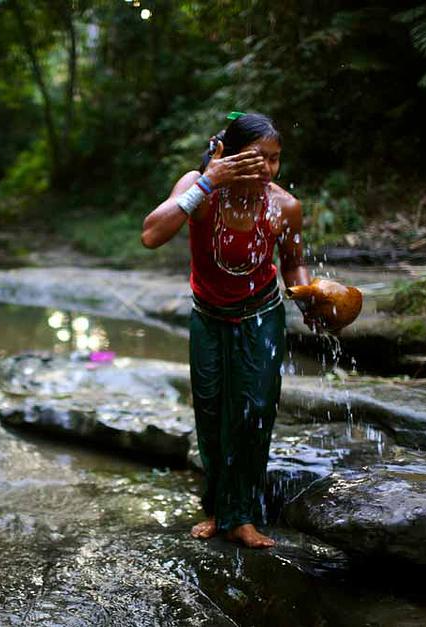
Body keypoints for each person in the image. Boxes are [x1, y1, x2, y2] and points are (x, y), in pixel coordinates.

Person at [141, 112, 311, 549]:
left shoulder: (283, 205)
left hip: (262, 316)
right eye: (257, 157)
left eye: (275, 160)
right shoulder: (200, 189)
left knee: (254, 411)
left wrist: (311, 296)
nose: (267, 169)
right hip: (209, 318)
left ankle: (244, 516)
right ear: (228, 155)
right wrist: (207, 181)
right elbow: (151, 234)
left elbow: (293, 265)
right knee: (212, 412)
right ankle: (218, 509)